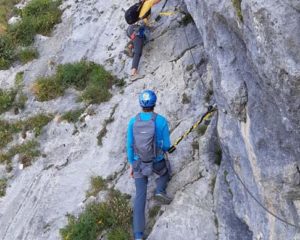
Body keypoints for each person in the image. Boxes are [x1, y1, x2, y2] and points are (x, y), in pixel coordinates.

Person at [127, 90, 172, 240]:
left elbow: (129, 145)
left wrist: (132, 165)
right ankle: (160, 189)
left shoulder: (133, 122)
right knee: (165, 172)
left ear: (141, 104)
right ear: (155, 103)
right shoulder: (161, 121)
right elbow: (166, 145)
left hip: (139, 163)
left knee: (140, 195)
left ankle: (138, 235)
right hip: (156, 162)